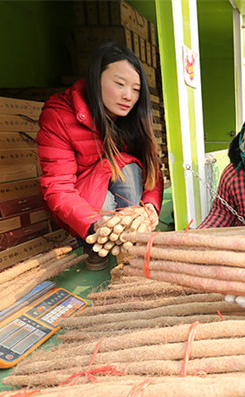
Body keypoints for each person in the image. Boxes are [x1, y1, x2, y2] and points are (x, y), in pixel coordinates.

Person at [37, 41, 163, 270]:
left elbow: (153, 171)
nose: (128, 96)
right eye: (119, 84)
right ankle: (97, 246)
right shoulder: (58, 116)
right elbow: (58, 188)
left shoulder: (133, 119)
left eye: (136, 90)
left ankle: (129, 244)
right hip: (85, 209)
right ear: (96, 78)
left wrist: (149, 209)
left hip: (118, 199)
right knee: (103, 199)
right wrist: (96, 224)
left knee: (129, 167)